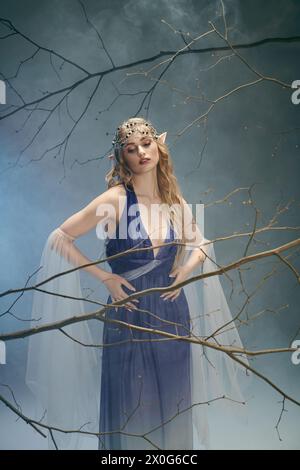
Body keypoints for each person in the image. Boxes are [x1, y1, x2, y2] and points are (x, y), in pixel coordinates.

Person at [26, 117, 252, 451]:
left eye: (146, 145)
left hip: (173, 316)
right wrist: (105, 277)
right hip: (127, 314)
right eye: (131, 149)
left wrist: (187, 268)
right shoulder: (116, 200)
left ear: (159, 148)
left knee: (174, 407)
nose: (141, 153)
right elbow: (60, 238)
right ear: (123, 158)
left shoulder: (175, 202)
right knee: (133, 410)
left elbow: (202, 243)